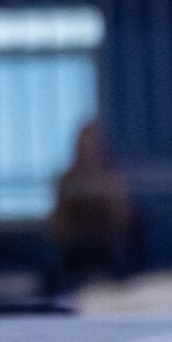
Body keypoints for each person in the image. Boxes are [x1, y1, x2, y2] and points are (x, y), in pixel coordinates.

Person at [48, 119, 134, 292]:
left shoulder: (114, 178)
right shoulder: (66, 180)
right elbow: (59, 227)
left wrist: (104, 196)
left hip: (108, 253)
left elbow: (124, 220)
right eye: (84, 143)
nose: (89, 149)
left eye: (93, 144)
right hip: (75, 254)